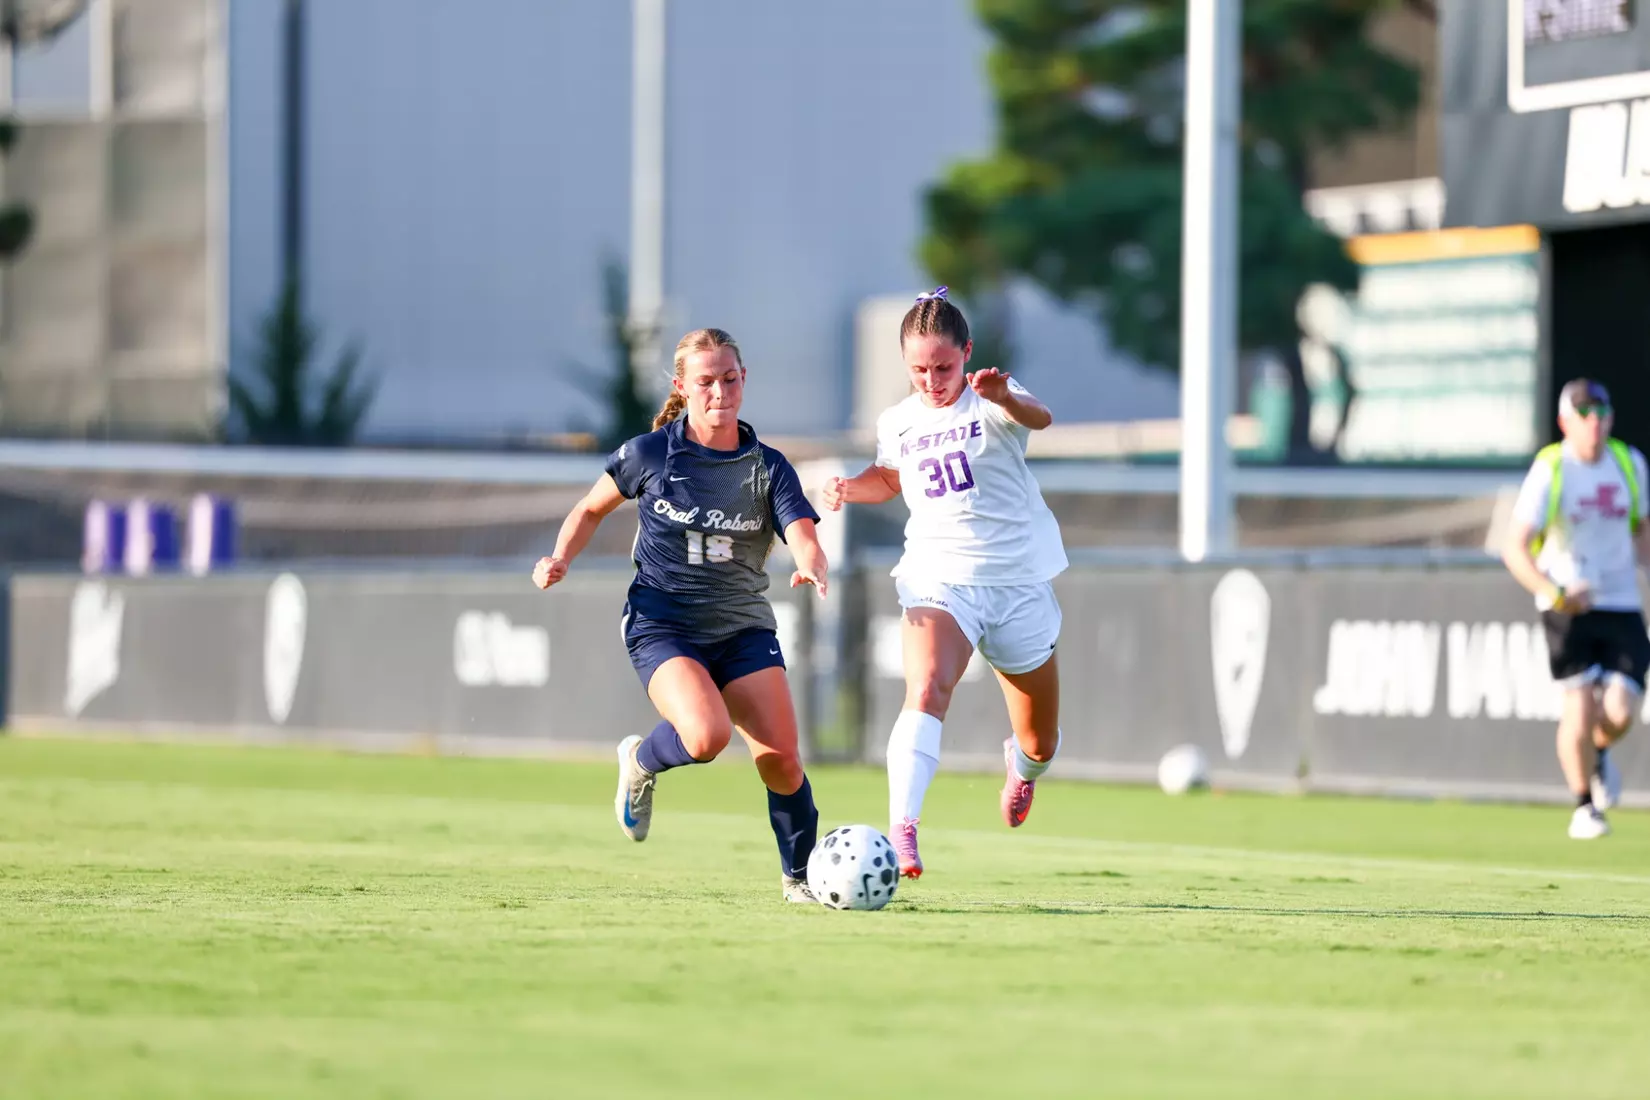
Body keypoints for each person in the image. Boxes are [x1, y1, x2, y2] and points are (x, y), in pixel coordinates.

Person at [532, 328, 831, 901]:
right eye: (706, 381)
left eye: (730, 378)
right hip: (663, 623)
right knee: (706, 736)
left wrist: (813, 563)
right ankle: (642, 762)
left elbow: (802, 530)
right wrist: (559, 557)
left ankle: (801, 880)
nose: (720, 390)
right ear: (681, 386)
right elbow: (590, 508)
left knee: (783, 763)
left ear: (744, 381)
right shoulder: (652, 453)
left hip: (742, 628)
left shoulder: (767, 466)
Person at [822, 287, 1067, 878]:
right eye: (919, 369)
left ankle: (1022, 768)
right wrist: (851, 487)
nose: (932, 380)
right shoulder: (899, 420)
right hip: (938, 576)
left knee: (1040, 742)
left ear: (967, 354)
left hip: (1016, 583)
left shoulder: (993, 396)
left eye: (943, 367)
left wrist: (1004, 393)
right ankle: (902, 830)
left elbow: (1042, 418)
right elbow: (888, 477)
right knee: (928, 685)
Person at [1502, 378, 1650, 840]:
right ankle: (1584, 805)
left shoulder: (1629, 463)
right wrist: (1557, 591)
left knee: (1621, 711)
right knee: (1580, 710)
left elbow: (1641, 533)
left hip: (1621, 600)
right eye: (1584, 414)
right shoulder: (1551, 468)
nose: (1595, 423)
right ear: (1566, 421)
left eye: (1601, 413)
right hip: (1568, 604)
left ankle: (1599, 754)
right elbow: (1515, 548)